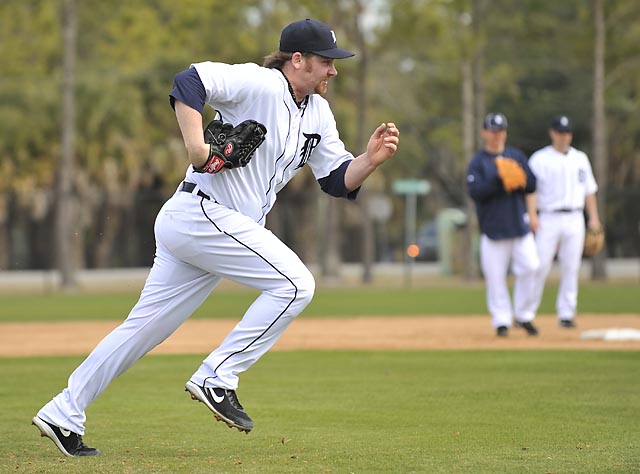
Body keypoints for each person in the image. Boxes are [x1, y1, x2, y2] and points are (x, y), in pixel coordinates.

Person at [31, 18, 400, 457]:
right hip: (205, 214)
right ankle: (217, 377)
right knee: (296, 284)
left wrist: (369, 161)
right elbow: (188, 82)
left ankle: (63, 411)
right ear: (297, 60)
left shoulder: (318, 112)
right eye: (326, 62)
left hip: (207, 226)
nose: (333, 72)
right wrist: (197, 149)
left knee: (141, 332)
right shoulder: (259, 83)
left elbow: (337, 179)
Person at [523, 115, 601, 328]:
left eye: (567, 132)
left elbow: (589, 191)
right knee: (540, 265)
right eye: (560, 132)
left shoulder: (580, 158)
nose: (564, 136)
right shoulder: (539, 159)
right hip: (548, 216)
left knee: (571, 266)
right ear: (552, 133)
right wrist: (532, 215)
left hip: (575, 217)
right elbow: (530, 191)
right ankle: (526, 313)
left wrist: (593, 218)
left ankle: (566, 314)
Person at [466, 112, 539, 337]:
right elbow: (475, 192)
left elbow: (532, 184)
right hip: (493, 229)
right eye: (493, 131)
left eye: (501, 131)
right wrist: (498, 179)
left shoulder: (515, 156)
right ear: (484, 133)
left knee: (531, 267)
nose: (497, 135)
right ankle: (501, 320)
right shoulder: (479, 161)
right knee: (495, 277)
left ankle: (523, 315)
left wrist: (522, 179)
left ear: (505, 133)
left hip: (519, 224)